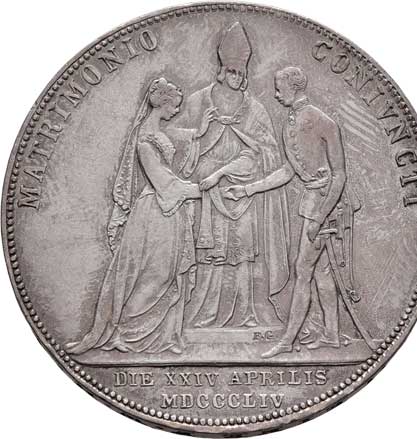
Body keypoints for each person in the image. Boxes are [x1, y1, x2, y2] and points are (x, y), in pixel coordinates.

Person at [226, 66, 358, 357]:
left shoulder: (323, 122)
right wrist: (248, 189)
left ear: (294, 87)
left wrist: (321, 216)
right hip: (312, 203)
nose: (275, 94)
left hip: (326, 206)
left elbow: (339, 175)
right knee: (322, 272)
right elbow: (288, 171)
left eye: (279, 88)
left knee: (303, 270)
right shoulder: (289, 123)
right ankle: (332, 336)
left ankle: (287, 340)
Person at [66, 77, 204, 355]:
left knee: (168, 273)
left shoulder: (157, 132)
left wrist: (200, 132)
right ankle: (126, 332)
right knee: (155, 273)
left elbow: (175, 150)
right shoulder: (144, 139)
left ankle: (165, 336)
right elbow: (163, 182)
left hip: (169, 212)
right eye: (175, 105)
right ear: (162, 103)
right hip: (155, 212)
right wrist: (203, 189)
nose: (177, 110)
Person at [177, 22, 290, 328]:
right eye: (231, 72)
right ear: (221, 70)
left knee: (242, 254)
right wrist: (198, 134)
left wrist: (235, 169)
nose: (236, 78)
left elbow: (268, 153)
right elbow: (176, 145)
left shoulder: (255, 108)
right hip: (206, 191)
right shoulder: (199, 101)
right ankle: (202, 312)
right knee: (210, 252)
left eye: (241, 73)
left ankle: (247, 312)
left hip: (242, 192)